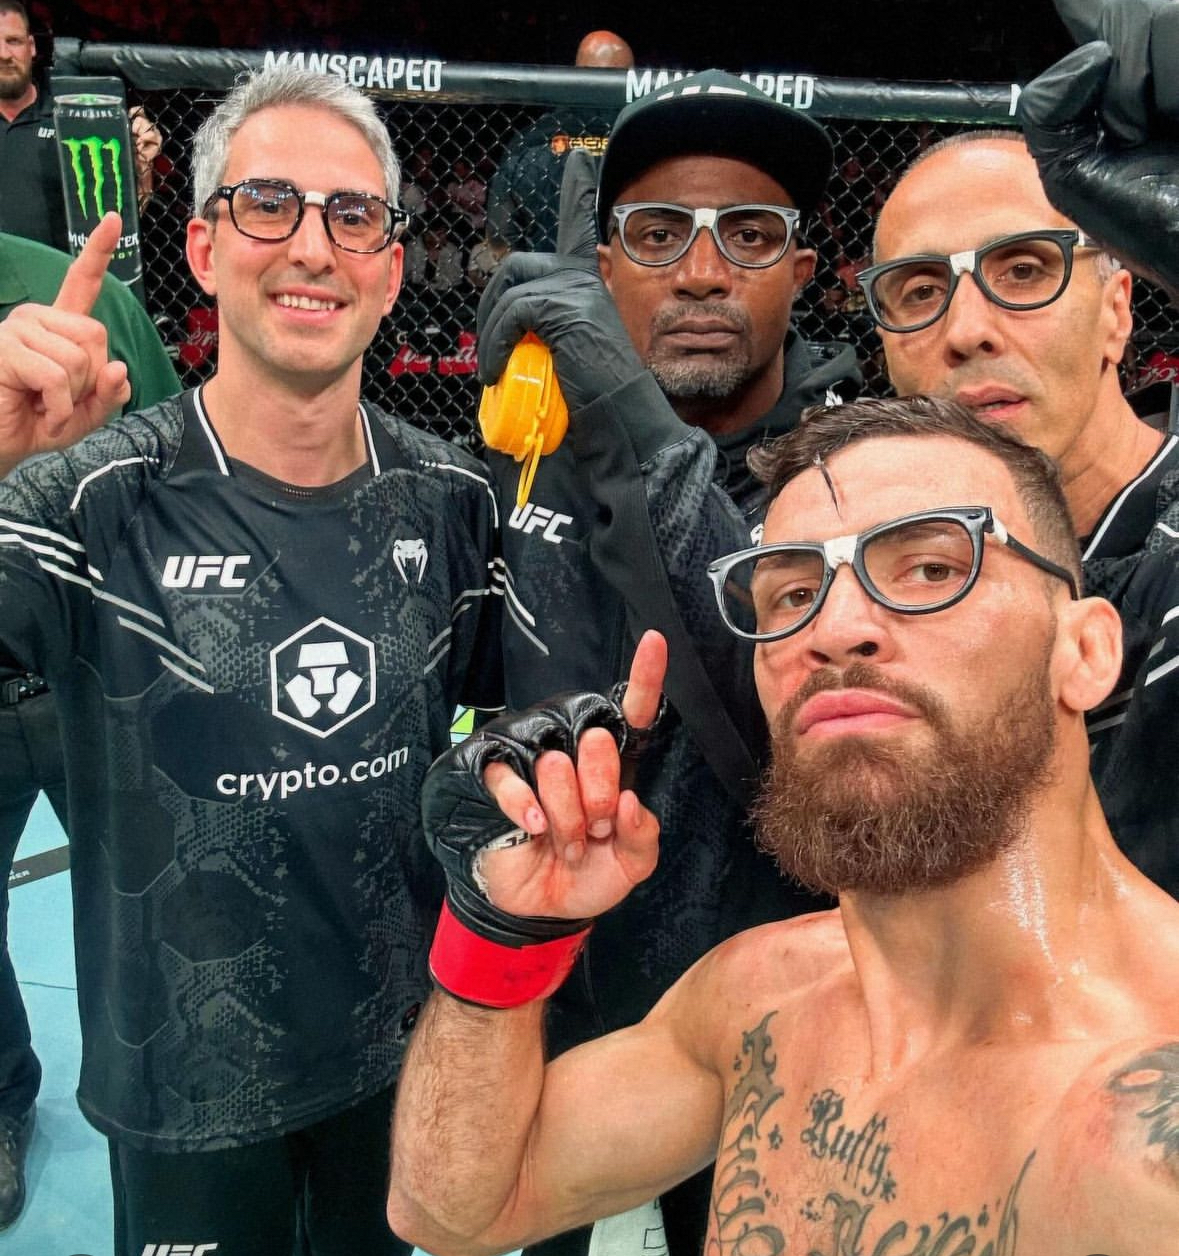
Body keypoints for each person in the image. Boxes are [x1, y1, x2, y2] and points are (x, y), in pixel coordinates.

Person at [388, 394, 1179, 1256]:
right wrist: (504, 929)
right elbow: (455, 1212)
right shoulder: (759, 996)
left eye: (929, 569)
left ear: (1085, 651)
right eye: (794, 593)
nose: (832, 630)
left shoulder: (1149, 1129)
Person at [0, 65, 500, 1256]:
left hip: (397, 1060)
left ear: (391, 265)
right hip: (183, 1087)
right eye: (269, 204)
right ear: (204, 245)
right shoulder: (85, 498)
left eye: (351, 214)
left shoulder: (454, 500)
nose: (312, 246)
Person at [476, 67, 859, 1255]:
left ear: (803, 269)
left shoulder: (858, 472)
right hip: (547, 987)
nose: (701, 272)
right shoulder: (522, 452)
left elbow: (762, 704)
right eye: (657, 234)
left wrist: (629, 418)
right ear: (603, 270)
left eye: (749, 234)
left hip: (767, 1015)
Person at [861, 128, 1179, 894]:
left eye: (1024, 270)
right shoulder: (860, 580)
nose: (966, 331)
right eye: (920, 291)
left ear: (1115, 311)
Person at [0, 222, 180, 1230]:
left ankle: (178, 1098)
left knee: (167, 903)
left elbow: (181, 490)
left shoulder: (80, 291)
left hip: (94, 674)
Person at [0, 0, 161, 251]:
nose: (4, 54)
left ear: (31, 46)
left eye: (14, 41)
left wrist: (142, 166)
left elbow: (118, 225)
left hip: (60, 272)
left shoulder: (75, 116)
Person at [484, 29, 633, 256]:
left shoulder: (532, 139)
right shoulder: (642, 137)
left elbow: (499, 236)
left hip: (549, 271)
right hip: (623, 271)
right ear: (630, 79)